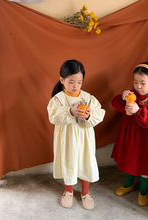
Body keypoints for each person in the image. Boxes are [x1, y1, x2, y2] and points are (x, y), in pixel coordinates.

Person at [47, 59, 105, 210]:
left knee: (85, 160)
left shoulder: (87, 98)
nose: (75, 86)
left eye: (79, 82)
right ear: (62, 80)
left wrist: (88, 115)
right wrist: (69, 111)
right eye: (71, 81)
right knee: (68, 161)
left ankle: (85, 192)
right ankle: (68, 191)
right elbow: (53, 116)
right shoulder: (58, 99)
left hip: (85, 137)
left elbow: (100, 113)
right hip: (66, 138)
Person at [111, 62, 148, 206]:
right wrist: (122, 98)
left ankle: (143, 191)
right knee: (129, 160)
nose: (138, 86)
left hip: (145, 139)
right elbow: (116, 105)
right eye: (135, 82)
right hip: (129, 136)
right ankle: (129, 185)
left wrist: (138, 111)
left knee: (144, 165)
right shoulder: (132, 94)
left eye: (142, 83)